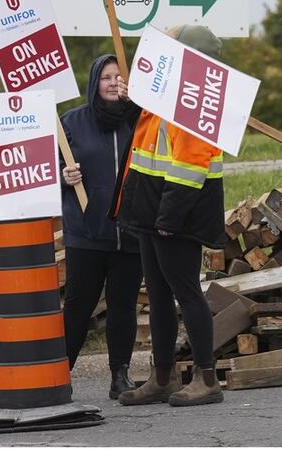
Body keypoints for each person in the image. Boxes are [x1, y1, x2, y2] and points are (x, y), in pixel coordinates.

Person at [114, 25, 226, 408]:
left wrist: (168, 218)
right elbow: (148, 140)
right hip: (153, 210)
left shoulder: (195, 102)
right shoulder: (169, 94)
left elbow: (190, 167)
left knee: (186, 293)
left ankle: (206, 379)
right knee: (159, 295)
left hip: (174, 215)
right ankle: (162, 377)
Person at [59, 54, 144, 399]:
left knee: (123, 307)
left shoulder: (139, 120)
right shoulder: (70, 123)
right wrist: (64, 178)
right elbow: (46, 170)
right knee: (79, 306)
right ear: (95, 82)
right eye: (106, 77)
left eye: (118, 77)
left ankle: (119, 376)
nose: (112, 82)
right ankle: (59, 374)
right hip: (86, 233)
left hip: (131, 234)